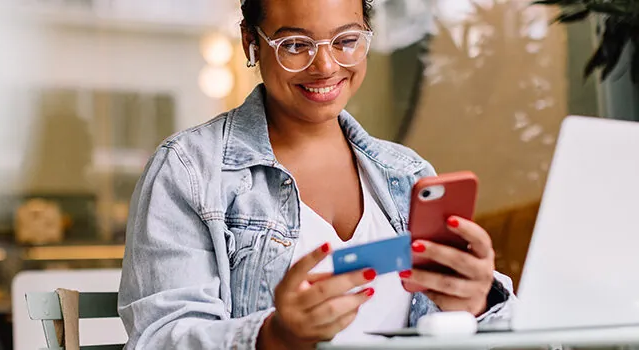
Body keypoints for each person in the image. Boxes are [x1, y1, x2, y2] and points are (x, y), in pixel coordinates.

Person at [118, 0, 516, 348]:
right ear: (250, 42)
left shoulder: (407, 174)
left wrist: (478, 304)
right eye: (294, 45)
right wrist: (275, 337)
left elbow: (503, 332)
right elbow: (160, 338)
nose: (325, 66)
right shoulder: (190, 170)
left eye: (345, 41)